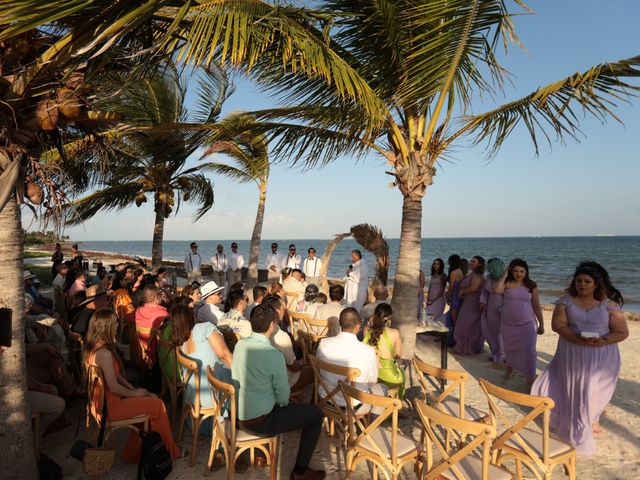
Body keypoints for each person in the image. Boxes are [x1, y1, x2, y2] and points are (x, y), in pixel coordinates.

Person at [531, 263, 628, 454]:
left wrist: (603, 340)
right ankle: (582, 425)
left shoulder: (609, 305)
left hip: (602, 353)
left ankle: (593, 417)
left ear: (596, 284)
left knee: (596, 388)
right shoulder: (564, 302)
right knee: (576, 388)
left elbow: (622, 331)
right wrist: (576, 338)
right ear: (574, 283)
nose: (582, 284)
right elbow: (558, 325)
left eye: (587, 281)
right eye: (579, 281)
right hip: (572, 350)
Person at [232, 305, 326, 480]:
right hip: (262, 422)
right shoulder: (273, 354)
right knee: (316, 414)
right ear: (272, 326)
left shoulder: (240, 345)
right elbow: (283, 397)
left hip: (239, 416)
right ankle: (300, 471)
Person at [85, 309, 180, 462]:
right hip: (110, 408)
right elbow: (114, 386)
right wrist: (136, 394)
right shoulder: (104, 354)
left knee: (151, 400)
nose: (117, 326)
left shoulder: (94, 348)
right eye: (114, 323)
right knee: (157, 405)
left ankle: (134, 454)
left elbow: (117, 378)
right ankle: (170, 452)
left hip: (104, 405)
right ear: (106, 327)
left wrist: (134, 389)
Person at [494, 258, 545, 386]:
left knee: (529, 351)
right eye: (515, 271)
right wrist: (505, 275)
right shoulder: (506, 283)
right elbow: (496, 290)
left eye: (522, 271)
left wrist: (542, 324)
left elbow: (537, 306)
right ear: (511, 271)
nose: (519, 274)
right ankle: (510, 369)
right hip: (507, 323)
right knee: (510, 349)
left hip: (528, 323)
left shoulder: (531, 285)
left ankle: (530, 378)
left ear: (526, 272)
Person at [316, 308, 378, 405]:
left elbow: (318, 371)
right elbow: (372, 382)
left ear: (340, 324)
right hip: (353, 404)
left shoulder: (323, 343)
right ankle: (373, 420)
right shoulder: (369, 351)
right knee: (380, 389)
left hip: (325, 399)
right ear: (357, 326)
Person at [263, 295, 315, 392]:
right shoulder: (281, 337)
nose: (284, 309)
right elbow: (293, 367)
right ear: (277, 312)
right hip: (282, 382)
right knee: (315, 371)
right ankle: (305, 402)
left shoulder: (257, 330)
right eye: (282, 307)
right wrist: (300, 364)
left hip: (265, 379)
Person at [363, 303, 406, 399]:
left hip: (370, 375)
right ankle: (395, 406)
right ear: (389, 318)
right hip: (388, 377)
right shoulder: (395, 333)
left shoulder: (367, 330)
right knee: (401, 372)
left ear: (374, 315)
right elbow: (399, 356)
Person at [453, 256, 486, 355]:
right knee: (464, 324)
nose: (471, 262)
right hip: (467, 301)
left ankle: (465, 348)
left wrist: (462, 291)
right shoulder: (472, 274)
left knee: (466, 324)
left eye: (474, 261)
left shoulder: (478, 276)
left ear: (479, 264)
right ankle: (463, 346)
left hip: (473, 302)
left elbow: (473, 288)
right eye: (471, 261)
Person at [135, 285, 170, 366]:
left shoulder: (138, 311)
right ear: (155, 297)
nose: (162, 296)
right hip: (157, 356)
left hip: (141, 351)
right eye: (160, 294)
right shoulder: (163, 315)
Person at [479, 258, 505, 362]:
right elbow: (485, 292)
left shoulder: (505, 278)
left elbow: (509, 294)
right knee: (489, 330)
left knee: (500, 331)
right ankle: (494, 351)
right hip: (490, 305)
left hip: (501, 306)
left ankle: (503, 354)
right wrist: (482, 302)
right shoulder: (489, 277)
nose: (487, 268)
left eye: (489, 266)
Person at [444, 254, 464, 347]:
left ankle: (454, 341)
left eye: (449, 260)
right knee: (455, 318)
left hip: (455, 297)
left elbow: (451, 287)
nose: (447, 262)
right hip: (458, 297)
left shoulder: (453, 272)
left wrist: (447, 295)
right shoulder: (460, 271)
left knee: (452, 319)